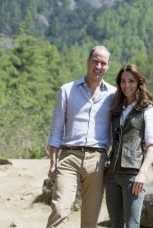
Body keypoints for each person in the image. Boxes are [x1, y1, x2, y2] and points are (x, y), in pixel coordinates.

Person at [46, 45, 116, 228]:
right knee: (60, 209)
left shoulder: (114, 95)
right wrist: (53, 163)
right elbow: (55, 130)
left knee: (90, 220)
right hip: (69, 157)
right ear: (88, 61)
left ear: (108, 67)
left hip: (98, 160)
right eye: (96, 61)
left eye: (103, 63)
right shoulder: (67, 90)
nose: (99, 66)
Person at [105, 64, 153, 228]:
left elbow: (152, 145)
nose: (126, 85)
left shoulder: (149, 109)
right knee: (115, 224)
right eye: (123, 81)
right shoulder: (116, 109)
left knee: (132, 225)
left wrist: (142, 174)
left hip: (132, 174)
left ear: (139, 83)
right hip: (111, 174)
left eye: (131, 81)